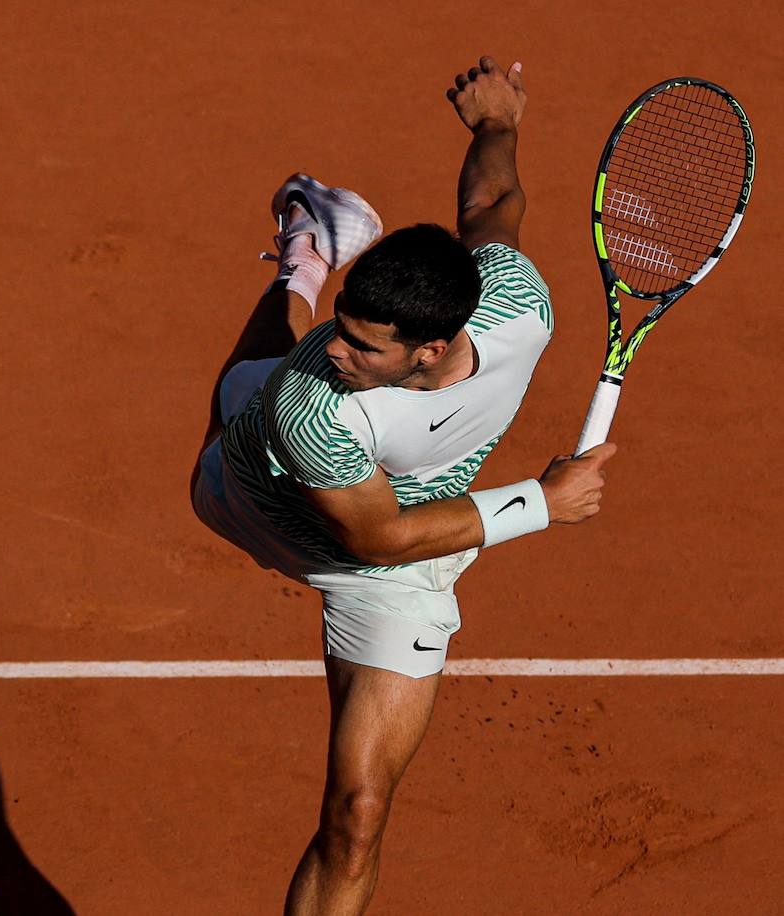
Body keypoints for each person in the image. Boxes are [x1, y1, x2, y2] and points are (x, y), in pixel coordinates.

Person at [190, 56, 617, 914]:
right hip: (267, 506)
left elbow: (491, 211)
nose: (339, 351)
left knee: (359, 811)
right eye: (341, 326)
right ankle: (304, 263)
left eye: (364, 344)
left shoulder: (516, 308)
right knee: (256, 378)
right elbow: (374, 538)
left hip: (396, 568)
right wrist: (541, 502)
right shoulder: (319, 404)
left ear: (431, 347)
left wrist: (498, 124)